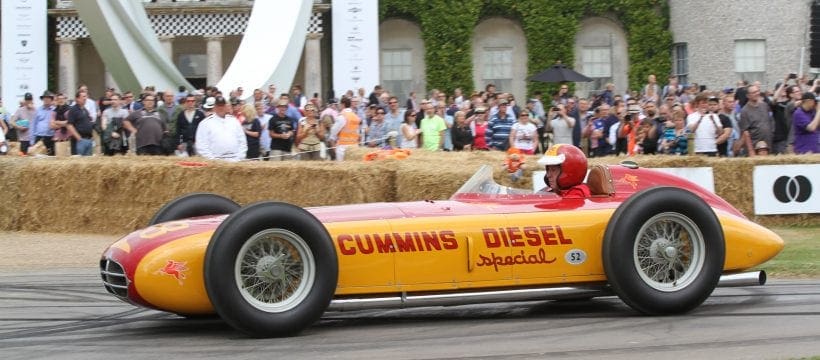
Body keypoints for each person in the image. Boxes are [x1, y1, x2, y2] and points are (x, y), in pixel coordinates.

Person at [195, 96, 247, 161]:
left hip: (235, 160)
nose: (220, 108)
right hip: (216, 162)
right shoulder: (205, 123)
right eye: (218, 105)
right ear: (214, 107)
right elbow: (201, 145)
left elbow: (242, 141)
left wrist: (239, 158)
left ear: (226, 106)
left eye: (222, 105)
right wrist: (213, 160)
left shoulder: (234, 121)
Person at [66, 91, 95, 156]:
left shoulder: (85, 110)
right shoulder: (73, 110)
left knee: (88, 163)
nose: (85, 98)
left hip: (88, 140)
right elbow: (69, 125)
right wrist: (79, 138)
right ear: (77, 99)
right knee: (79, 162)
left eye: (86, 96)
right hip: (79, 141)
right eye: (83, 97)